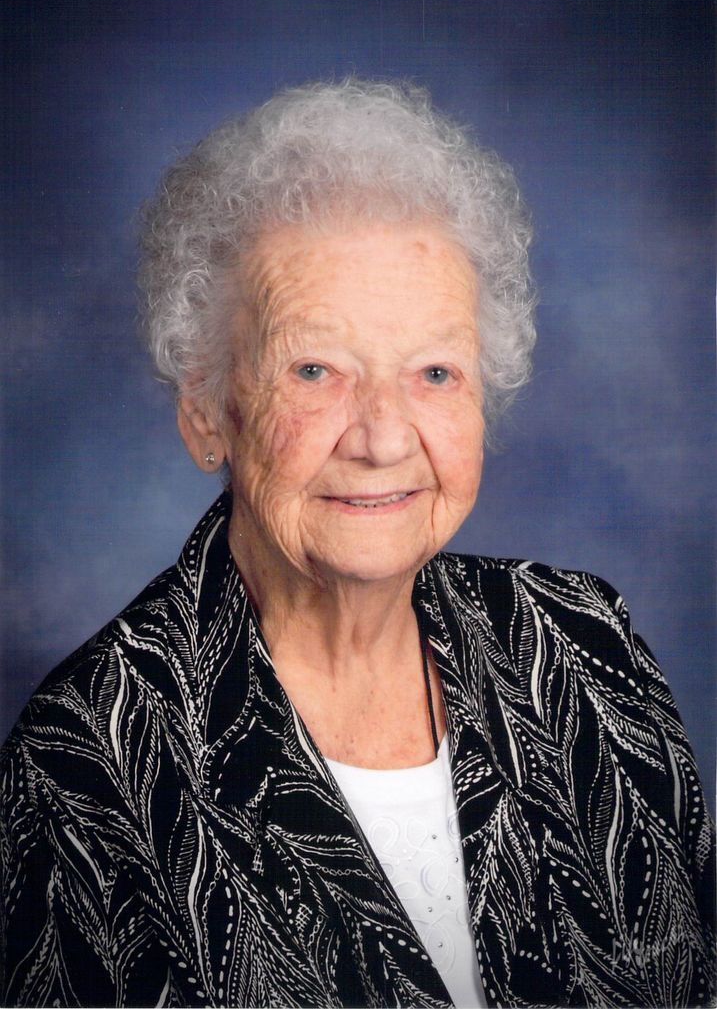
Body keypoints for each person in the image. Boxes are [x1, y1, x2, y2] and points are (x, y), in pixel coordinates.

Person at [1, 79, 714, 1009]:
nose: (381, 437)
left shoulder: (581, 642)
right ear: (206, 410)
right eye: (315, 369)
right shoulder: (83, 765)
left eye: (433, 372)